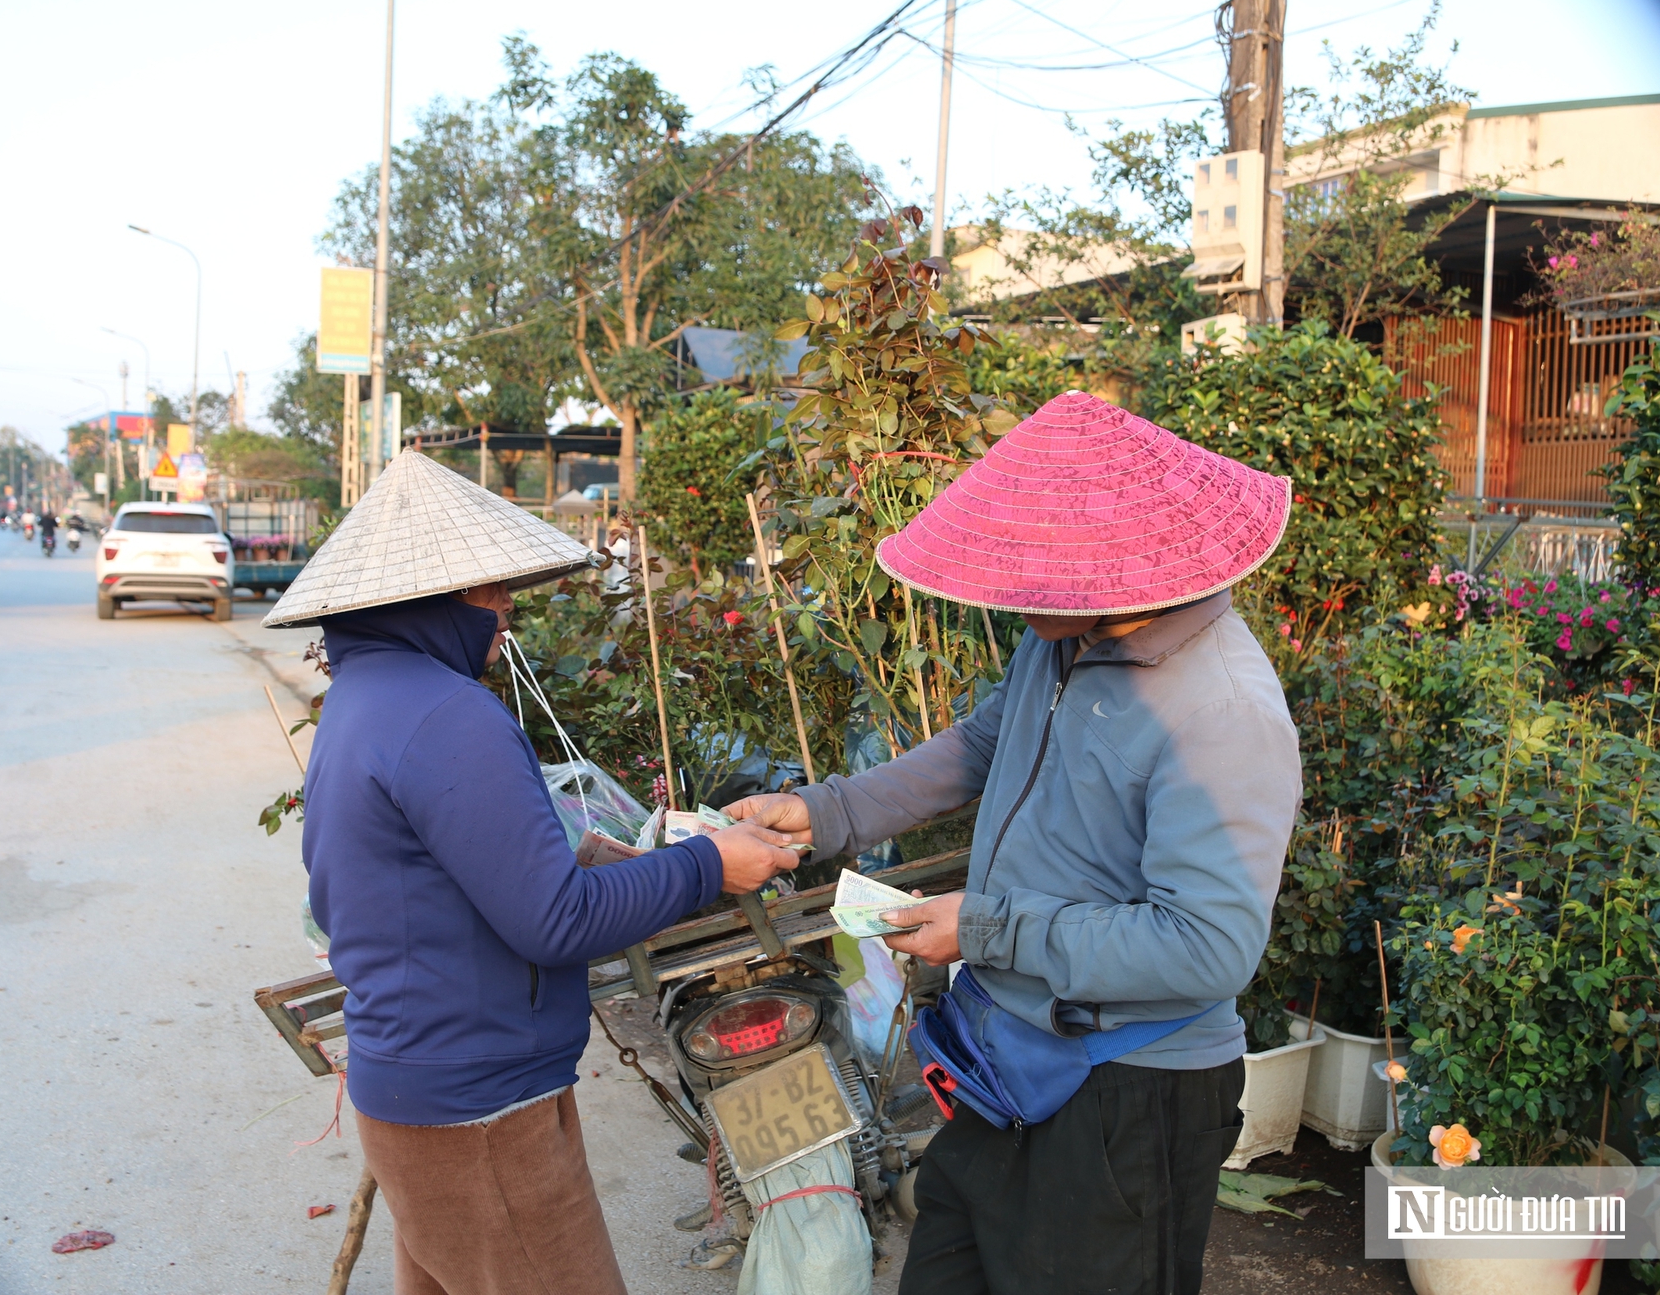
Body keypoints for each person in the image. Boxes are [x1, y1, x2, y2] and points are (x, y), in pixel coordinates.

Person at [729, 391, 1302, 1295]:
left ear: (1115, 569)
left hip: (1128, 1098)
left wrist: (987, 928)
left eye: (1036, 569)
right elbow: (988, 742)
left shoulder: (1223, 713)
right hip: (1007, 1056)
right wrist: (830, 810)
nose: (1010, 591)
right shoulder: (1063, 640)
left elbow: (1209, 947)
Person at [263, 451, 799, 1295]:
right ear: (434, 596)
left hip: (422, 1090)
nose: (507, 614)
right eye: (494, 595)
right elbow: (557, 920)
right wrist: (710, 862)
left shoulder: (366, 700)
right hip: (480, 1112)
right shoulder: (448, 715)